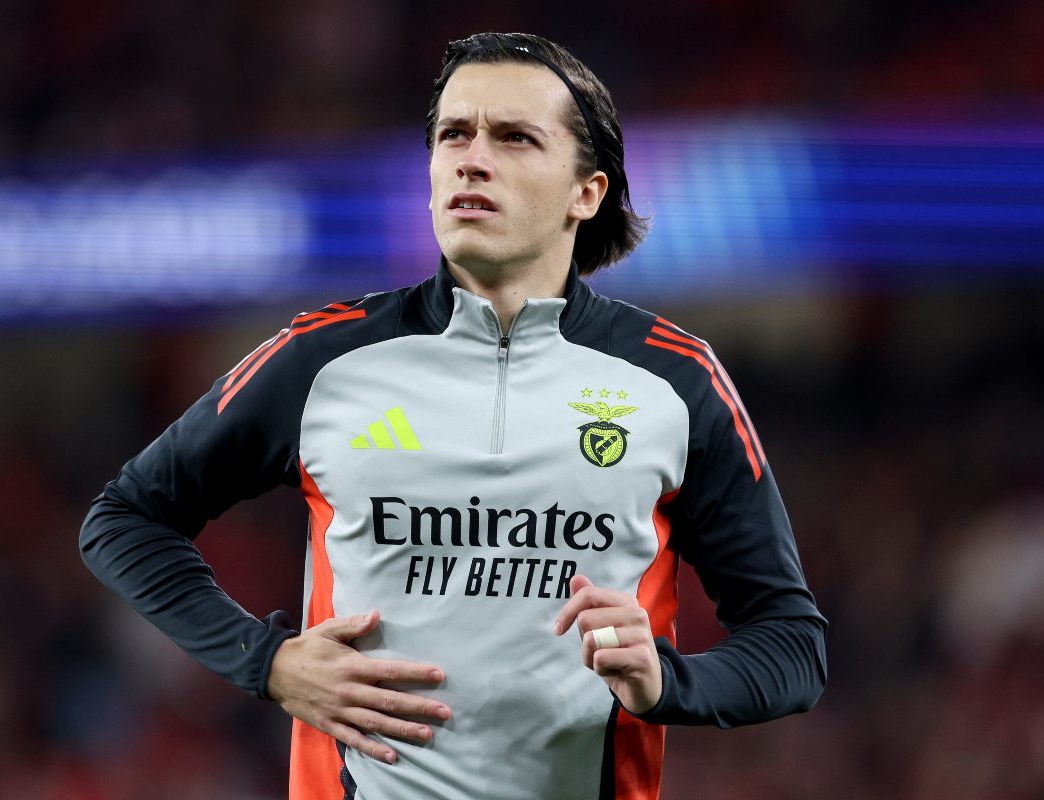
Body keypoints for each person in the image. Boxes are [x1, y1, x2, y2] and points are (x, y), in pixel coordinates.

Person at [81, 32, 826, 800]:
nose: (472, 158)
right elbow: (124, 519)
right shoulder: (321, 361)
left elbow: (793, 646)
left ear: (588, 193)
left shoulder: (675, 378)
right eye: (453, 135)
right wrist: (265, 661)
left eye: (514, 137)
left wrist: (666, 683)